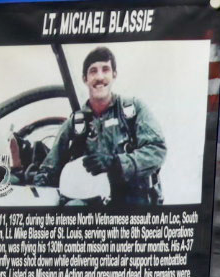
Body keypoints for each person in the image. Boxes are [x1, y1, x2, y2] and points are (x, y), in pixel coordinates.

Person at [37, 46, 166, 206]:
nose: (99, 77)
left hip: (134, 203)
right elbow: (49, 168)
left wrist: (116, 163)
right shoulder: (76, 124)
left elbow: (157, 150)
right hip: (95, 205)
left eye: (105, 69)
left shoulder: (132, 110)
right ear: (85, 78)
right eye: (93, 71)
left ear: (114, 74)